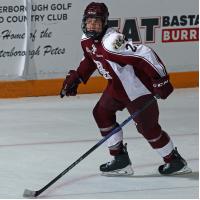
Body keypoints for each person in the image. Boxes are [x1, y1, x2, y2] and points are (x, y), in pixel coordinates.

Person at [60, 2, 191, 176]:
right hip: (117, 88)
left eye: (97, 22)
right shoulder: (86, 39)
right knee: (101, 113)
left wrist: (161, 81)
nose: (92, 25)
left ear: (105, 22)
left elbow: (145, 54)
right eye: (89, 21)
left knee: (148, 128)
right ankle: (120, 160)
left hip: (137, 90)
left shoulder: (112, 42)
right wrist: (78, 76)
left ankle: (174, 162)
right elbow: (90, 59)